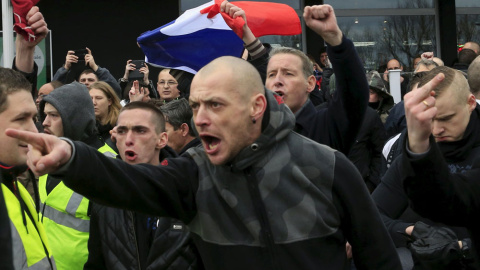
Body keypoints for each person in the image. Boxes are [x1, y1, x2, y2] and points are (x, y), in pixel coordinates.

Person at [9, 9, 401, 268]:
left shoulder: (327, 166)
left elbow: (378, 257)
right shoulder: (195, 174)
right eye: (196, 106)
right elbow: (128, 182)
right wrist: (72, 157)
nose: (200, 119)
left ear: (256, 107)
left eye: (215, 105)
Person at [373, 66, 479, 269]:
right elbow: (372, 215)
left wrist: (463, 247)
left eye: (447, 118)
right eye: (429, 119)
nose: (437, 129)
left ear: (470, 103)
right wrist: (411, 231)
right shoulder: (411, 153)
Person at [85, 101, 202, 269]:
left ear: (162, 140)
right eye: (122, 131)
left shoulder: (190, 187)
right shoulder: (106, 197)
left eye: (140, 131)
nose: (129, 140)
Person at [258, 3, 368, 155]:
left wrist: (334, 39)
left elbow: (354, 92)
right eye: (271, 74)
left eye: (288, 73)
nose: (277, 80)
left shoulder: (326, 127)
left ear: (310, 84)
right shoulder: (255, 133)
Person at [38, 82, 117, 270]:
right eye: (45, 114)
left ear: (74, 118)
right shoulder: (47, 155)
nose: (44, 122)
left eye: (54, 115)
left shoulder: (107, 163)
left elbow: (116, 240)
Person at [0, 6, 54, 269]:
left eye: (33, 118)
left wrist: (25, 50)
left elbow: (12, 99)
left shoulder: (14, 184)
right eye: (21, 120)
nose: (34, 131)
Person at [53, 48, 122, 97]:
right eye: (82, 80)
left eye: (90, 80)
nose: (86, 82)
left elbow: (115, 90)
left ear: (98, 82)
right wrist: (65, 67)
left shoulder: (104, 97)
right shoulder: (72, 97)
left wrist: (95, 67)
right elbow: (53, 91)